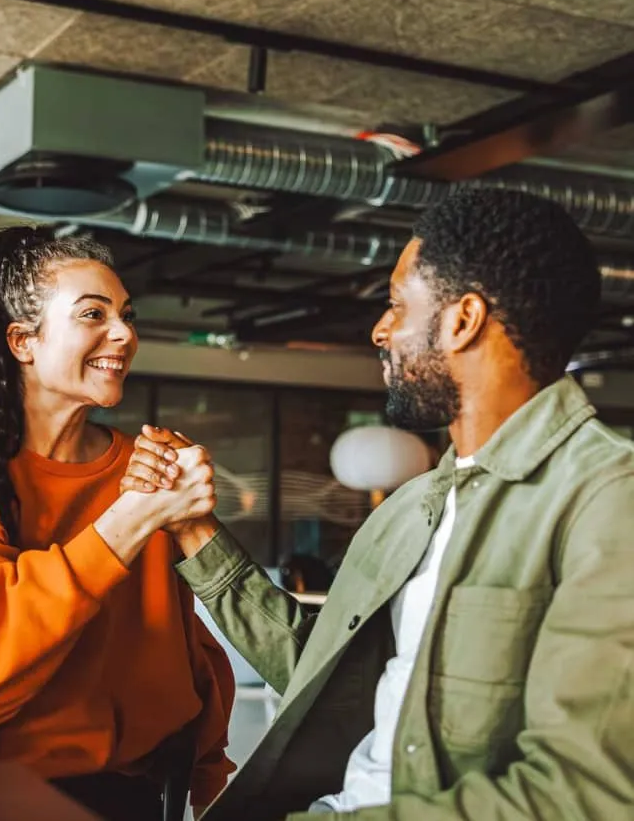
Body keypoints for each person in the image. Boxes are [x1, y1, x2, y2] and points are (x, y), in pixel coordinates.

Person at [123, 189, 634, 820]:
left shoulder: (610, 500)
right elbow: (328, 684)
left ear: (463, 319)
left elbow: (584, 796)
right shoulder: (414, 506)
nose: (380, 329)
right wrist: (194, 529)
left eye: (397, 305)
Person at [0, 226, 234, 821]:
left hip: (126, 791)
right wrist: (132, 518)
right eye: (93, 314)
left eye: (125, 314)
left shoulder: (147, 464)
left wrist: (210, 770)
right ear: (22, 341)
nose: (124, 333)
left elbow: (178, 636)